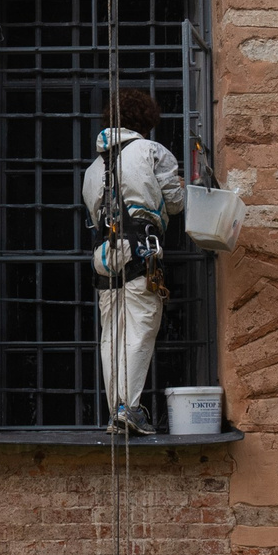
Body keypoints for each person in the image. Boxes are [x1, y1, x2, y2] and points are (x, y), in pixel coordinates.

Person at [80, 87, 185, 434]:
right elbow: (176, 202)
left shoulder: (92, 169)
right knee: (139, 328)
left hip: (104, 258)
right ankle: (129, 407)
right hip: (142, 251)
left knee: (111, 333)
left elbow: (96, 218)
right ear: (146, 121)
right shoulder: (152, 151)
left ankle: (117, 410)